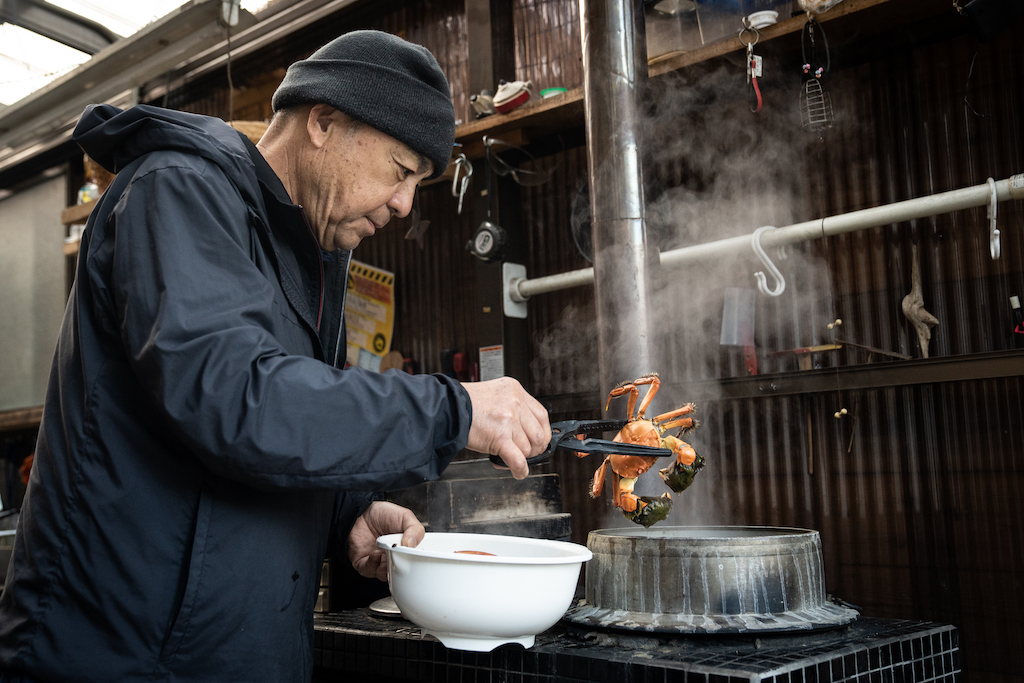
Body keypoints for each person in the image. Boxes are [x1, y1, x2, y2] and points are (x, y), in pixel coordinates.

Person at [0, 30, 550, 683]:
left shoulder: (313, 259)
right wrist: (454, 410)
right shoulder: (176, 192)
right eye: (401, 171)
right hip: (117, 660)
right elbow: (237, 401)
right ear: (323, 122)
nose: (405, 205)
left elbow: (289, 424)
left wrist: (345, 511)